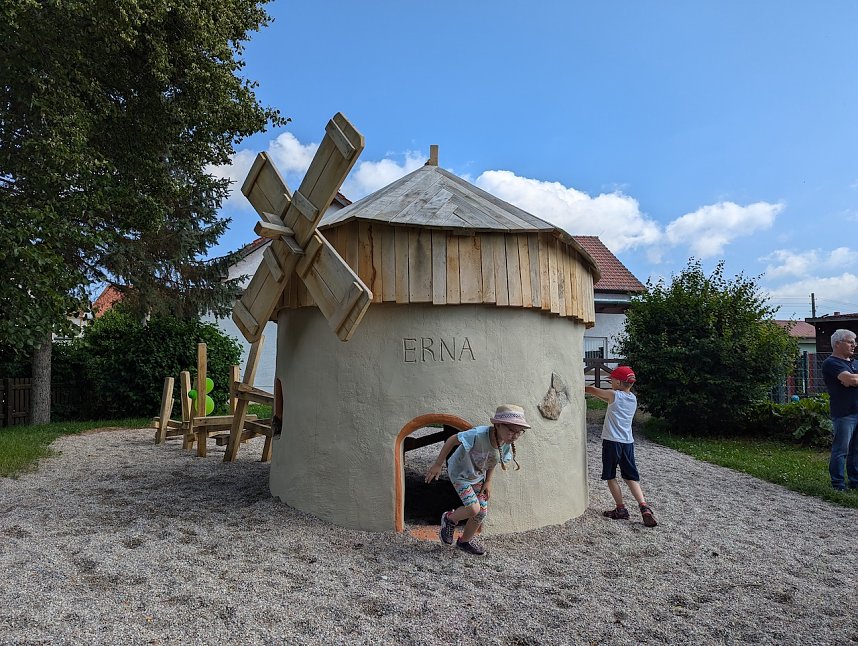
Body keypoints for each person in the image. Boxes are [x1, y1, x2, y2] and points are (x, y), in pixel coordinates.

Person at [424, 404, 530, 555]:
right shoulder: (478, 435)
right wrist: (438, 464)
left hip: (477, 476)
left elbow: (493, 460)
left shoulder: (506, 443)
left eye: (519, 432)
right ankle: (450, 518)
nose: (514, 435)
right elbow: (452, 440)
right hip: (460, 474)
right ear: (498, 425)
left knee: (481, 512)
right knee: (474, 508)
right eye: (511, 430)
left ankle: (464, 541)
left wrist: (488, 481)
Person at [585, 365, 657, 527]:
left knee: (611, 476)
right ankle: (644, 506)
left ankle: (621, 509)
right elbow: (606, 399)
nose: (610, 382)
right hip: (628, 443)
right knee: (631, 477)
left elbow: (592, 390)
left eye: (611, 380)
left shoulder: (613, 395)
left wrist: (581, 387)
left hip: (612, 443)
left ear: (617, 382)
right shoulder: (632, 398)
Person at [822, 329, 858, 491]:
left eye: (854, 342)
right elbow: (849, 380)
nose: (854, 345)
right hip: (844, 413)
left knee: (856, 451)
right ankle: (838, 485)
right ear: (838, 344)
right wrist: (851, 379)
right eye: (850, 342)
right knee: (841, 450)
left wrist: (853, 380)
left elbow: (851, 380)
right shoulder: (831, 363)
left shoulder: (855, 363)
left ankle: (855, 482)